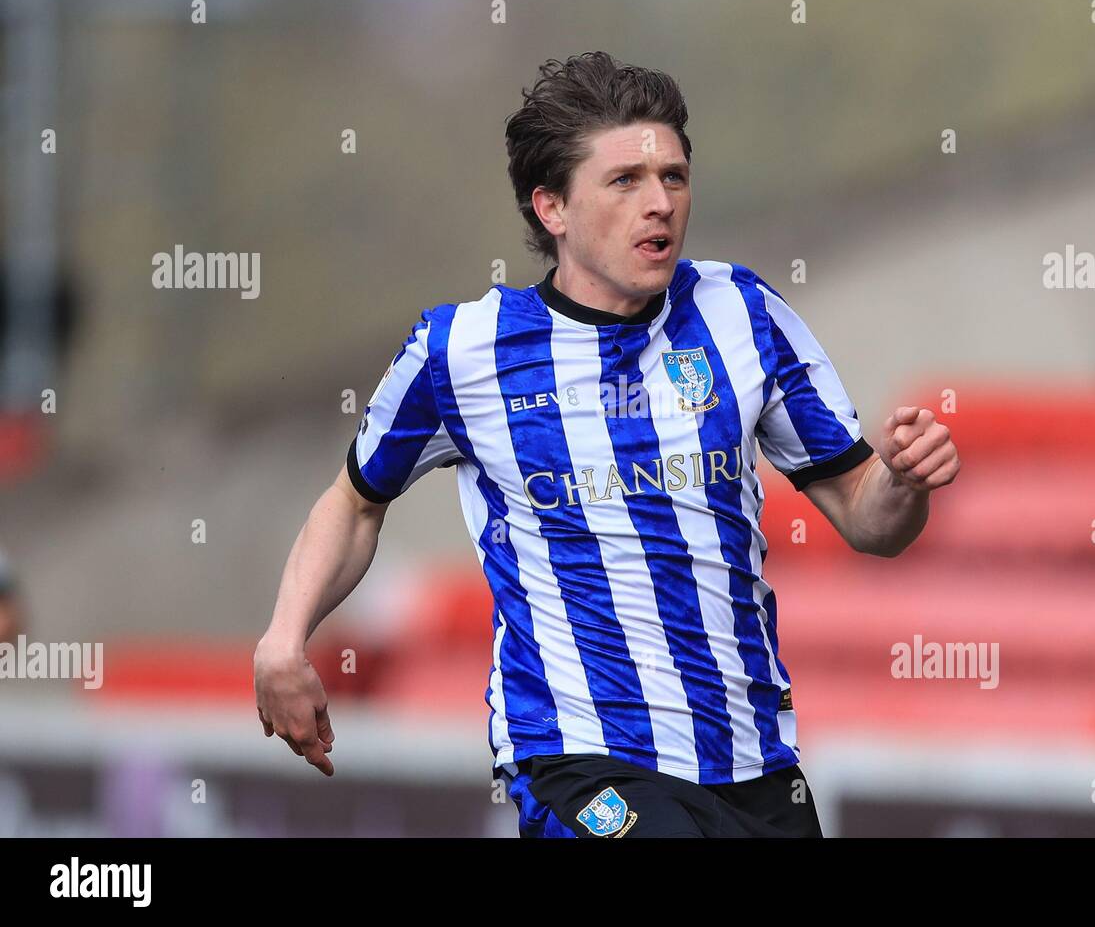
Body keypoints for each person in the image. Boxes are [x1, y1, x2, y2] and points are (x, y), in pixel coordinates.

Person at [254, 51, 960, 838]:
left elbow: (872, 522)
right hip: (578, 757)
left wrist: (903, 480)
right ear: (551, 207)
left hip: (755, 762)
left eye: (675, 177)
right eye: (625, 181)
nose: (659, 203)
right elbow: (355, 505)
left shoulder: (742, 314)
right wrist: (285, 641)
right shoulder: (464, 351)